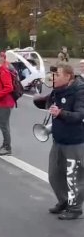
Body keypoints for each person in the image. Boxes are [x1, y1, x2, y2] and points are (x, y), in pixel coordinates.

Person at [33, 64, 84, 220]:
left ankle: (75, 208)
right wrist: (38, 99)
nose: (53, 78)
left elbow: (79, 115)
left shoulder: (80, 91)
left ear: (68, 76)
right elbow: (46, 102)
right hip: (59, 139)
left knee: (74, 177)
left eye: (57, 74)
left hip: (75, 141)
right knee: (54, 175)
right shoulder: (58, 90)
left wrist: (61, 113)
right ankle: (64, 201)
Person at [0, 56, 15, 156]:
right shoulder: (0, 71)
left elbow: (9, 87)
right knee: (4, 125)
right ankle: (5, 145)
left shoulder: (3, 72)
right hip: (3, 102)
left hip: (5, 103)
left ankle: (7, 148)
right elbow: (1, 87)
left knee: (4, 126)